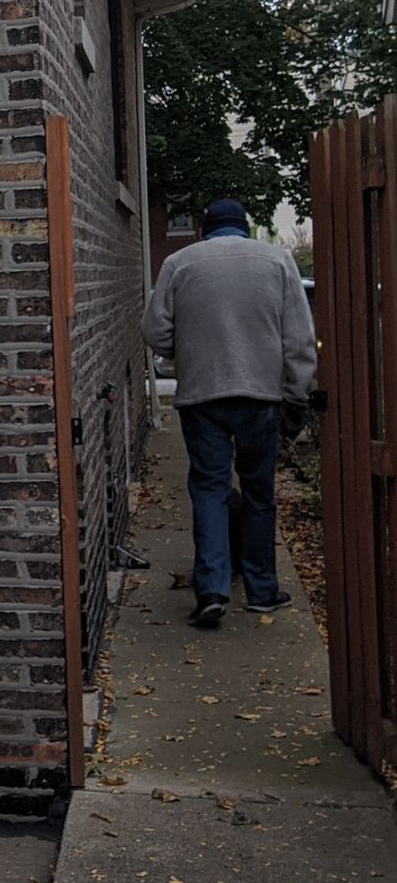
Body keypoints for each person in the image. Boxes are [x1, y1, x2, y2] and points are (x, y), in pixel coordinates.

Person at [141, 197, 318, 628]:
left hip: (202, 396)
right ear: (244, 227)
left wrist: (185, 352)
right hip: (261, 396)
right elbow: (298, 338)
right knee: (259, 494)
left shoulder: (179, 264)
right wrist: (296, 397)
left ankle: (212, 590)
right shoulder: (277, 262)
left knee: (210, 490)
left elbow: (154, 331)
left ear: (205, 228)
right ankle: (261, 590)